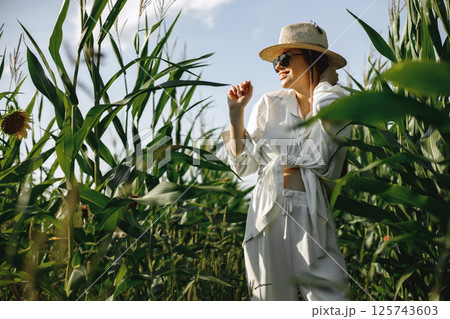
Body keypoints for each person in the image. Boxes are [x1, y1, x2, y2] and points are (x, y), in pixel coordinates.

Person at [221, 21, 352, 301]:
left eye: (285, 58)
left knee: (331, 300)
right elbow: (244, 166)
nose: (278, 66)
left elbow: (330, 118)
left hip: (312, 212)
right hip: (268, 209)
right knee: (271, 301)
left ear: (313, 58)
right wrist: (236, 114)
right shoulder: (270, 103)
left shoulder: (335, 99)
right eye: (276, 62)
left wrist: (324, 83)